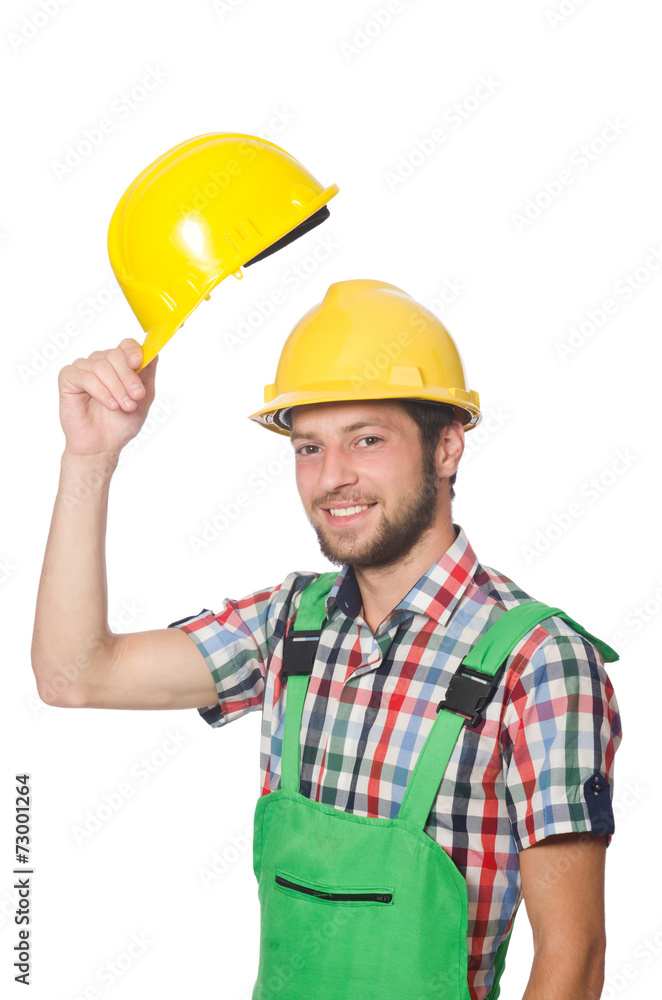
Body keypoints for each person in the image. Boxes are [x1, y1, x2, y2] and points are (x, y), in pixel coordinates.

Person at [32, 279, 621, 1000]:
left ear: (447, 447)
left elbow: (574, 956)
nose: (332, 477)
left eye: (366, 440)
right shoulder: (291, 624)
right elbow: (73, 675)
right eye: (308, 447)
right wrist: (89, 459)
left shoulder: (537, 661)